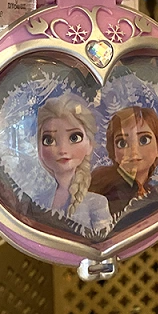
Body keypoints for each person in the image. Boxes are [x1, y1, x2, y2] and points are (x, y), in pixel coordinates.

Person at [35, 95, 111, 232]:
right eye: (49, 140)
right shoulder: (37, 201)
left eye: (74, 137)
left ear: (89, 144)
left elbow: (105, 240)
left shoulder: (97, 203)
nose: (62, 150)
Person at [90, 106, 158, 215]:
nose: (133, 150)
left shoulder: (155, 193)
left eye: (144, 140)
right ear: (114, 152)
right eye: (122, 143)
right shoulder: (111, 191)